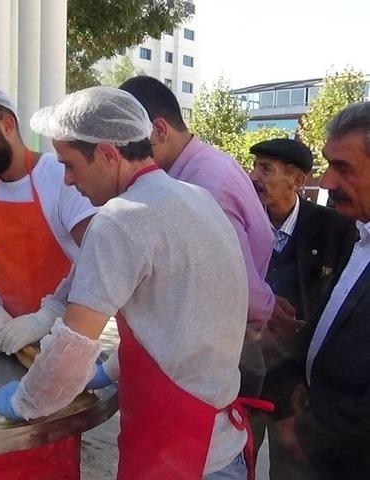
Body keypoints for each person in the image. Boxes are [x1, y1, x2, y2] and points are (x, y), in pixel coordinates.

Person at [0, 86, 251, 479]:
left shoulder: (119, 218)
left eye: (71, 165)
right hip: (223, 442)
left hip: (179, 454)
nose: (69, 181)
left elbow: (75, 344)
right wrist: (108, 373)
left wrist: (28, 401)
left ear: (108, 154)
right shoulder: (195, 198)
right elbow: (178, 324)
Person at [119, 76, 299, 397]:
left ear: (159, 130)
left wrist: (266, 309)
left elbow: (234, 274)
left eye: (129, 145)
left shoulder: (203, 182)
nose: (124, 158)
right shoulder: (198, 165)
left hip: (223, 349)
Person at [0, 86, 98, 355]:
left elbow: (95, 256)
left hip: (62, 336)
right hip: (5, 336)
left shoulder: (59, 178)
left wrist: (48, 316)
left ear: (7, 125)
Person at [246, 138, 355, 479]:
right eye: (255, 167)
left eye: (266, 169)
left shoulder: (333, 227)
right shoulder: (242, 223)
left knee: (289, 470)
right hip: (244, 371)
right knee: (237, 461)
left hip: (293, 382)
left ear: (295, 181)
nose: (254, 177)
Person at [272, 102, 370, 479]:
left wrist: (307, 430)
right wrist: (298, 380)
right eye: (328, 164)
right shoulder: (358, 236)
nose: (327, 182)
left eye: (343, 168)